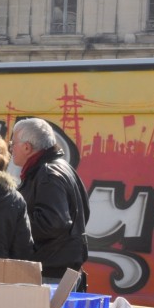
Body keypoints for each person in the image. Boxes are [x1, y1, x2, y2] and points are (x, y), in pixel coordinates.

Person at [11, 117, 91, 290]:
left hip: (50, 271)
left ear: (27, 147)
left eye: (13, 143)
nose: (11, 148)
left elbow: (53, 222)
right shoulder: (60, 167)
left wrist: (13, 223)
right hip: (58, 267)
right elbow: (83, 212)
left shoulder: (47, 173)